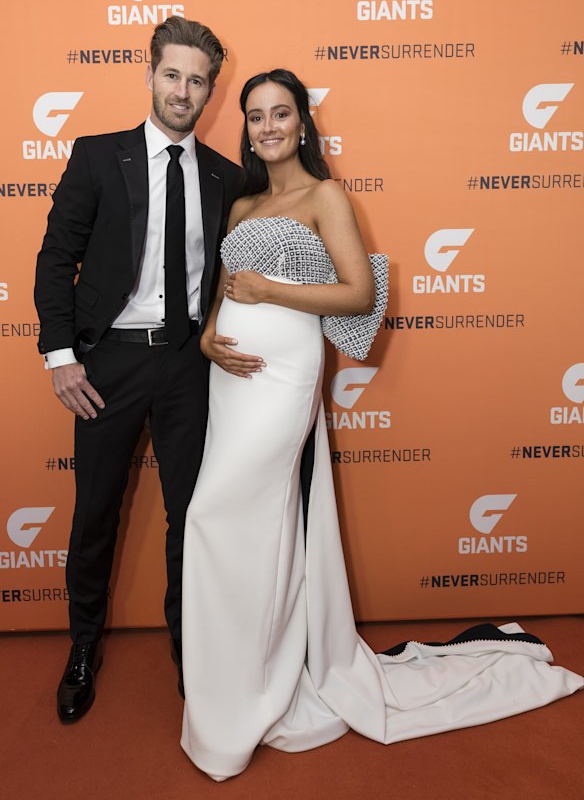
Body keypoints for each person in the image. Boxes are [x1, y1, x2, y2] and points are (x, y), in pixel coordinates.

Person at [179, 69, 583, 781]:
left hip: (285, 380)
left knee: (229, 515)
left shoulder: (326, 196)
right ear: (244, 127)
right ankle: (240, 684)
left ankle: (259, 685)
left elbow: (359, 290)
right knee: (227, 524)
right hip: (229, 380)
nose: (267, 126)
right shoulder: (241, 204)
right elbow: (222, 287)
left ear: (303, 123)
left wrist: (272, 290)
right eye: (255, 116)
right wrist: (211, 335)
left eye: (280, 113)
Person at [33, 16, 245, 724]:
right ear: (149, 73)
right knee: (94, 515)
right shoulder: (97, 157)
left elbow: (233, 276)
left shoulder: (225, 176)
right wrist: (61, 357)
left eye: (198, 80)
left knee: (192, 518)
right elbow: (55, 259)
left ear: (212, 91)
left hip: (189, 365)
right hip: (110, 363)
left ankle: (193, 649)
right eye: (173, 74)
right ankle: (84, 650)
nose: (184, 90)